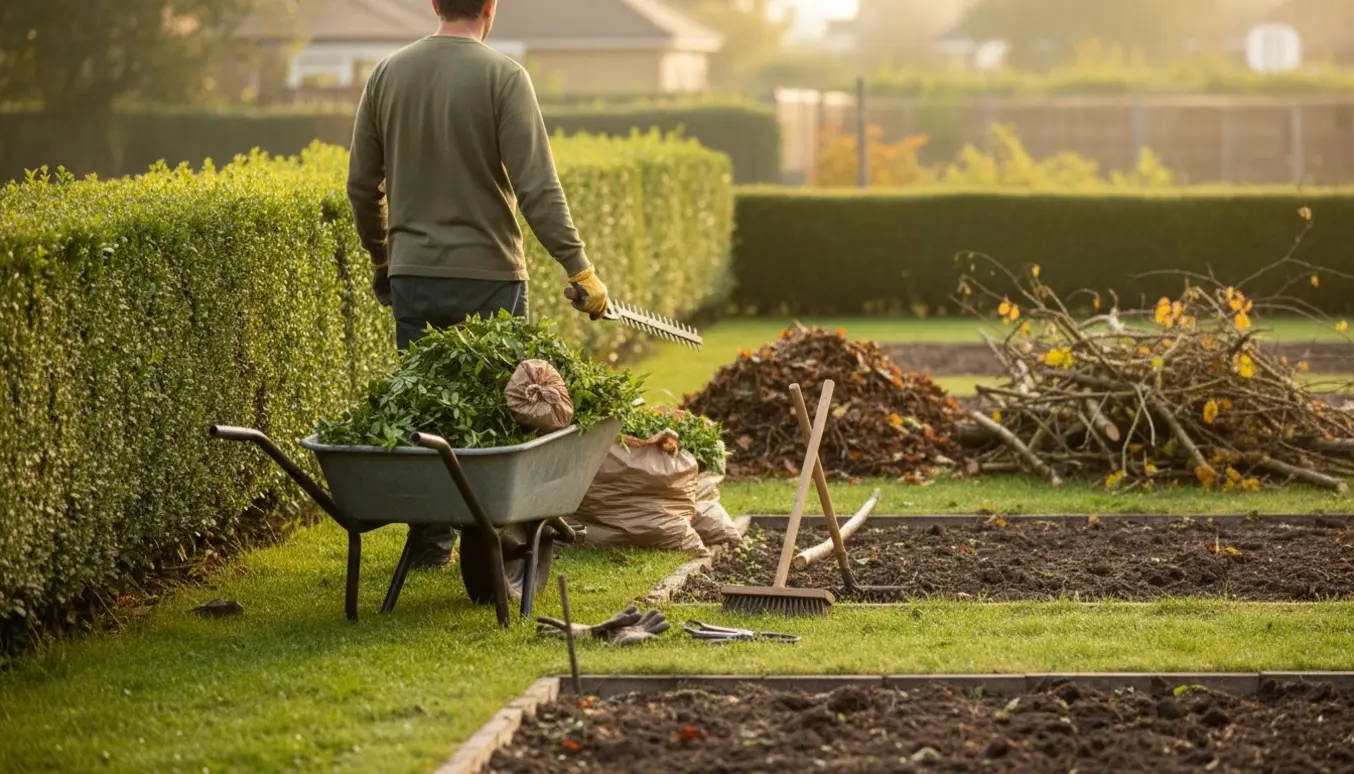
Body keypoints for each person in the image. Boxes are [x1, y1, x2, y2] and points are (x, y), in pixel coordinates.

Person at [346, 0, 610, 568]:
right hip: (490, 273)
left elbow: (362, 185)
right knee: (500, 407)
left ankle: (429, 541)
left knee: (426, 408)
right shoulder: (504, 77)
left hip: (414, 272)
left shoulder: (388, 73)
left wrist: (382, 257)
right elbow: (538, 188)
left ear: (435, 4)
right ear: (491, 7)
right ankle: (490, 542)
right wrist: (578, 267)